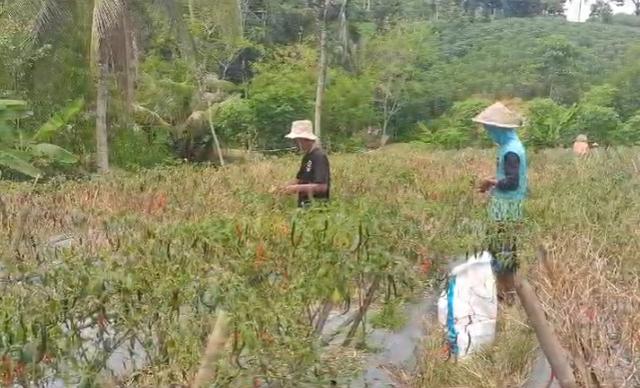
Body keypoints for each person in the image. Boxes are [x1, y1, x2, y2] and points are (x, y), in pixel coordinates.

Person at [473, 102, 528, 304]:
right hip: (506, 207)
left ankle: (507, 297)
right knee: (502, 252)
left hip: (507, 210)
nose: (488, 133)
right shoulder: (509, 147)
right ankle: (504, 295)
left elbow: (512, 183)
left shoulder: (511, 151)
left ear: (499, 129)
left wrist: (490, 182)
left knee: (503, 253)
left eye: (490, 129)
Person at [277, 120, 331, 208]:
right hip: (304, 207)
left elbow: (322, 187)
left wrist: (294, 189)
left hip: (317, 208)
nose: (296, 144)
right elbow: (300, 179)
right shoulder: (307, 156)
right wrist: (283, 188)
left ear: (305, 139)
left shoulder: (319, 157)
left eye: (297, 141)